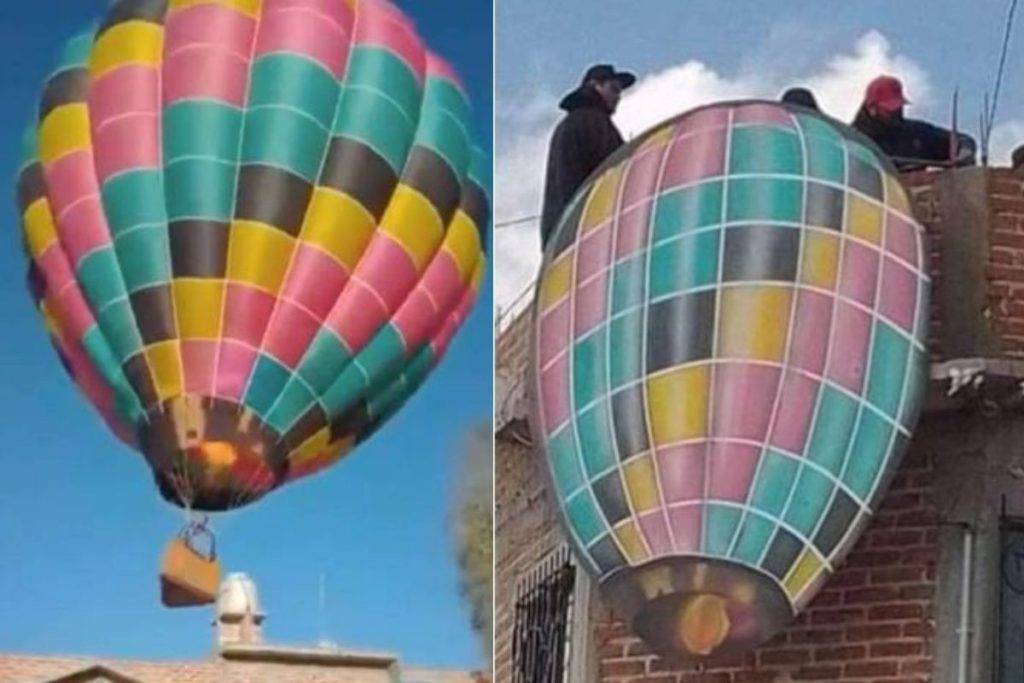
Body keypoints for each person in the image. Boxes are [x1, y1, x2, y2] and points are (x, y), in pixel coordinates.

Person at [539, 64, 636, 247]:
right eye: (614, 89)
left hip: (558, 236)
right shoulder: (595, 122)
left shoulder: (566, 125)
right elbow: (618, 171)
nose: (618, 97)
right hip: (586, 229)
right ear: (595, 85)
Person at [852, 75, 976, 171]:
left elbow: (962, 140)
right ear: (872, 109)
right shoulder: (851, 142)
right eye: (889, 110)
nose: (895, 113)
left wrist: (965, 153)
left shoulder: (915, 134)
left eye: (898, 108)